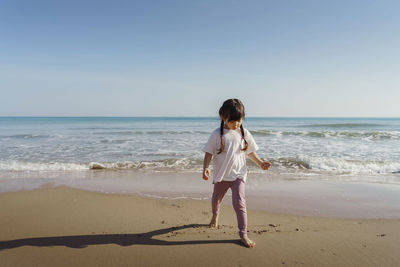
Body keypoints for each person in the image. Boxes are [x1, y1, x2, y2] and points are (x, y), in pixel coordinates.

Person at [202, 98, 271, 248]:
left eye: (239, 120)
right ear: (223, 117)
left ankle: (243, 234)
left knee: (239, 203)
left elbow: (250, 152)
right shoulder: (217, 134)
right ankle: (215, 214)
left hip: (239, 174)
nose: (236, 124)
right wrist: (205, 168)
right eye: (232, 120)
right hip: (222, 176)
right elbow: (208, 153)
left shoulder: (244, 133)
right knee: (216, 200)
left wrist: (260, 163)